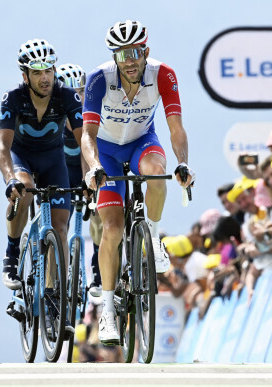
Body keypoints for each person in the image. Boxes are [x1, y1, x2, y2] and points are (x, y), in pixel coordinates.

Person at [81, 20, 195, 345]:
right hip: (106, 150)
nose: (129, 60)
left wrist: (183, 162)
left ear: (146, 50)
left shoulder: (163, 74)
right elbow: (87, 135)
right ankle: (107, 310)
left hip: (142, 140)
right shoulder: (98, 79)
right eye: (121, 54)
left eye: (134, 52)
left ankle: (155, 239)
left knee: (157, 172)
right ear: (114, 57)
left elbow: (176, 127)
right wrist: (93, 166)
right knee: (113, 230)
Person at [0, 39, 84, 335]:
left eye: (49, 70)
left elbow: (85, 140)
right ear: (25, 76)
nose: (45, 77)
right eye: (37, 72)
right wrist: (9, 178)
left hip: (53, 161)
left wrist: (91, 173)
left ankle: (51, 297)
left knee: (60, 229)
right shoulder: (13, 99)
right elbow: (2, 146)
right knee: (23, 188)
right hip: (22, 158)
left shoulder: (67, 97)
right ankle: (11, 252)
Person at [56, 63, 103, 296]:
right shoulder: (52, 116)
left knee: (98, 210)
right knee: (58, 220)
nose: (78, 97)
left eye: (82, 91)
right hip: (60, 171)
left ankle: (97, 270)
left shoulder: (90, 115)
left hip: (83, 167)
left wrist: (89, 183)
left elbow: (89, 154)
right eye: (71, 93)